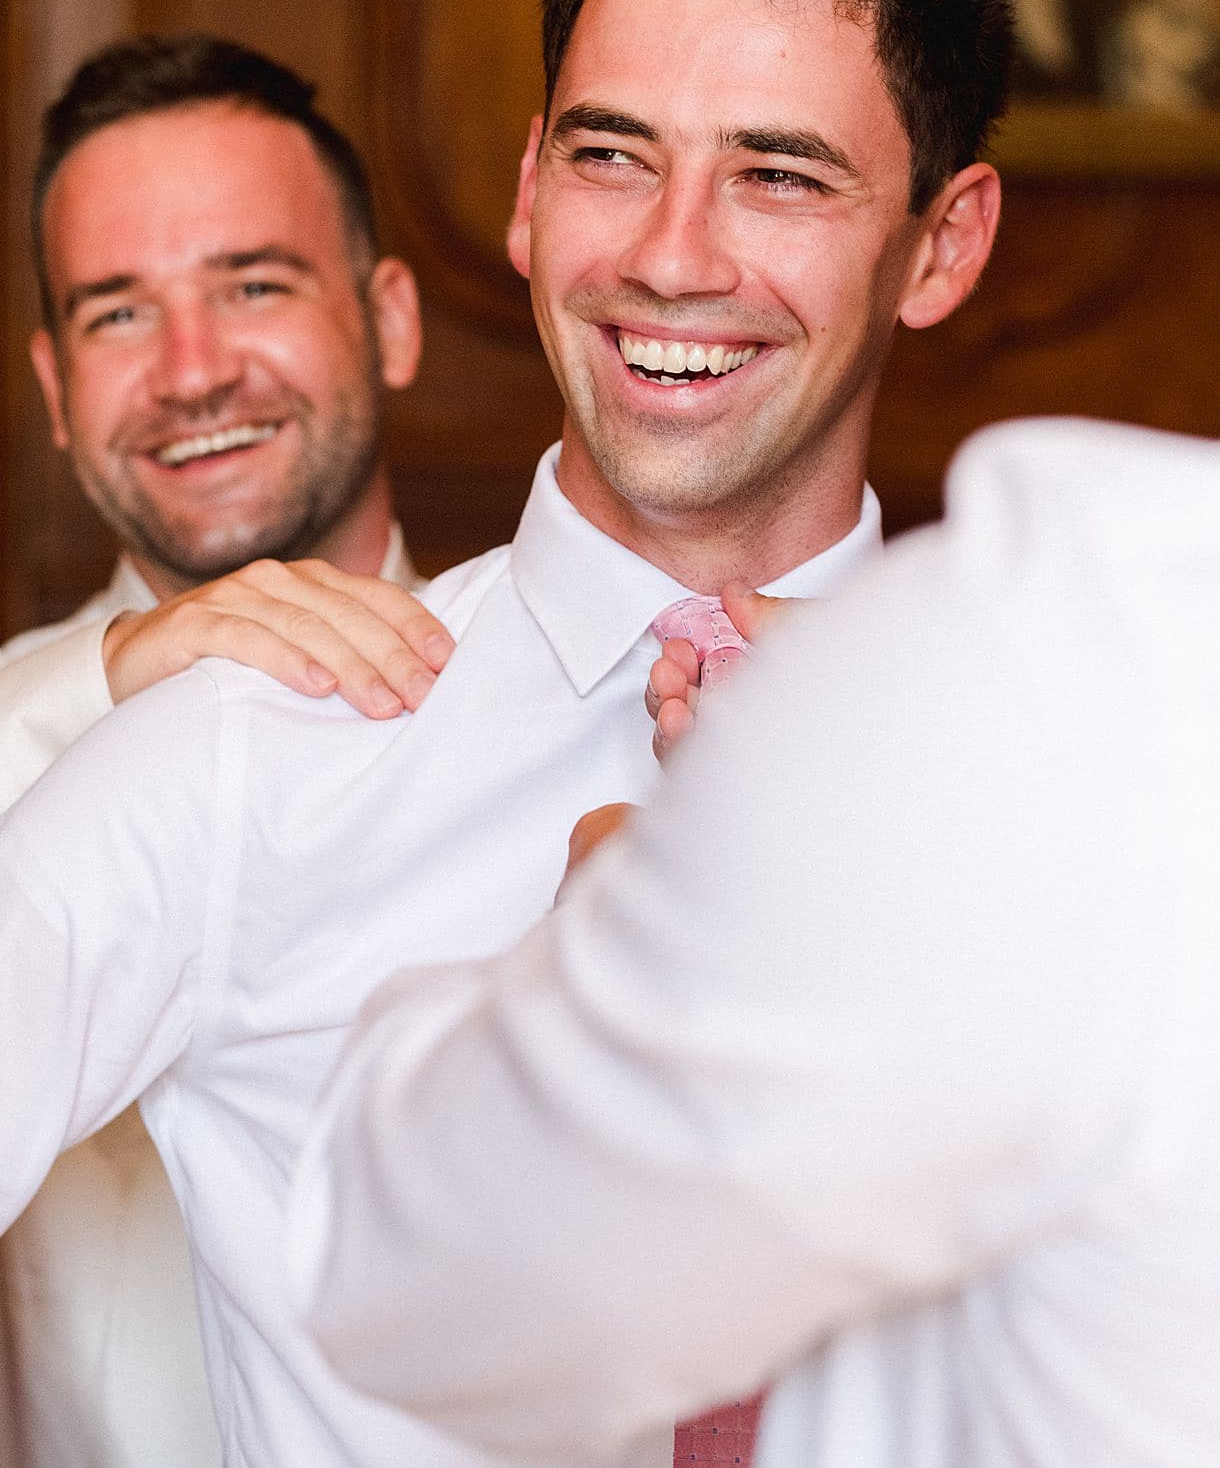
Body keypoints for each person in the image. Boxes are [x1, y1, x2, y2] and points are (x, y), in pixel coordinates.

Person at [0, 0, 1011, 1466]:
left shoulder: (1105, 788)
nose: (672, 256)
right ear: (532, 193)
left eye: (776, 173)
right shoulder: (250, 759)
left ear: (943, 245)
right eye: (615, 156)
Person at [290, 414, 1220, 1468]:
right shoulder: (1081, 651)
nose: (678, 262)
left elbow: (412, 1282)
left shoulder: (1074, 644)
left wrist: (608, 949)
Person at [0, 33, 454, 1468]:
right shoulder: (23, 737)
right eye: (119, 313)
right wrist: (105, 684)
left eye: (254, 285)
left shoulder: (603, 717)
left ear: (388, 316)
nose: (194, 371)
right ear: (57, 384)